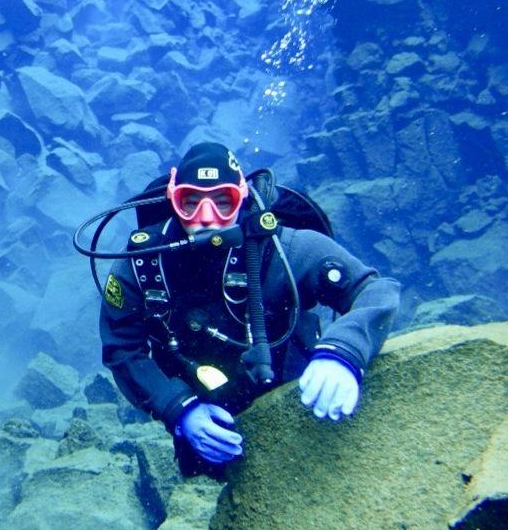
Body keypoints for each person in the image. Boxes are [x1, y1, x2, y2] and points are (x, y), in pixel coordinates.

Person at [98, 142, 399, 475]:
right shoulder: (141, 265)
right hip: (208, 424)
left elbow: (371, 289)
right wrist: (178, 410)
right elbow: (122, 349)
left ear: (241, 195)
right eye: (191, 202)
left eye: (222, 202)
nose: (207, 219)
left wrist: (343, 352)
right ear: (173, 197)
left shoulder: (283, 248)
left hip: (302, 405)